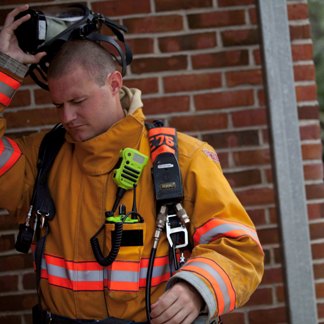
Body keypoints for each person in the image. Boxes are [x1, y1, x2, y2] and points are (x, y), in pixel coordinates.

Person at [0, 4, 264, 324]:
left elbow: (240, 247)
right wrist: (6, 70)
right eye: (59, 105)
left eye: (78, 101)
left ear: (114, 83)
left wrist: (198, 288)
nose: (67, 116)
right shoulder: (42, 159)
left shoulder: (182, 160)